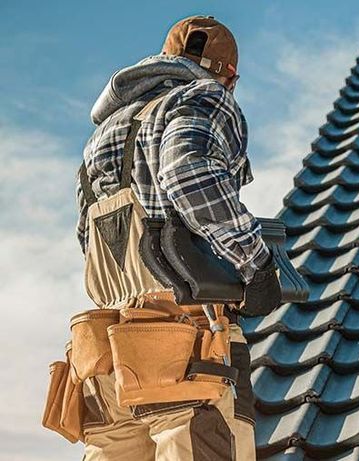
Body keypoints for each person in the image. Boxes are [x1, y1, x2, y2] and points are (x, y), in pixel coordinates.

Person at [68, 15, 280, 460]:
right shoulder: (205, 99)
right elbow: (187, 174)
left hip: (105, 353)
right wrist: (255, 263)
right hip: (183, 341)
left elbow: (88, 238)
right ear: (229, 75)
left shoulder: (101, 137)